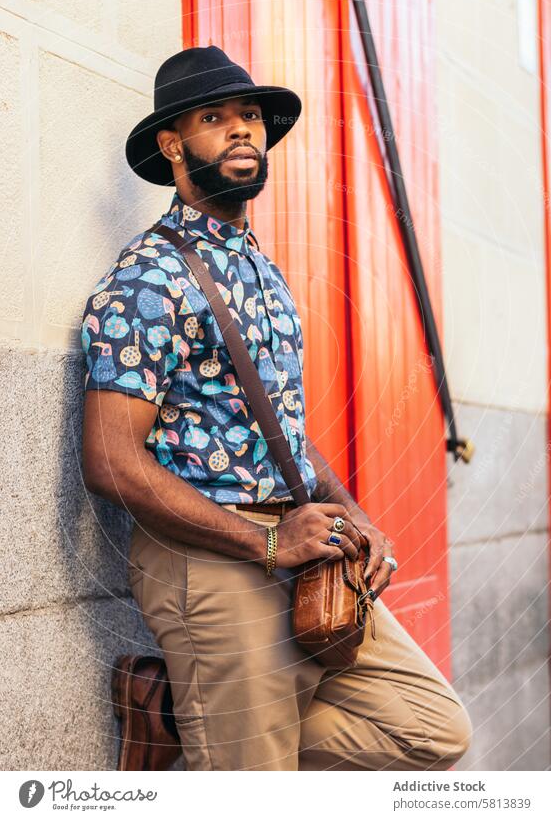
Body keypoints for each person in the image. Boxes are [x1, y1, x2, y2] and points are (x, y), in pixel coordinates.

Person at [81, 45, 472, 771]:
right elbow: (109, 459)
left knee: (431, 727)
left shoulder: (260, 266)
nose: (241, 130)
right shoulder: (146, 279)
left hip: (299, 542)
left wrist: (350, 510)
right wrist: (262, 543)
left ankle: (173, 715)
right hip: (207, 556)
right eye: (214, 117)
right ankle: (217, 733)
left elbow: (281, 428)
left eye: (251, 116)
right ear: (173, 146)